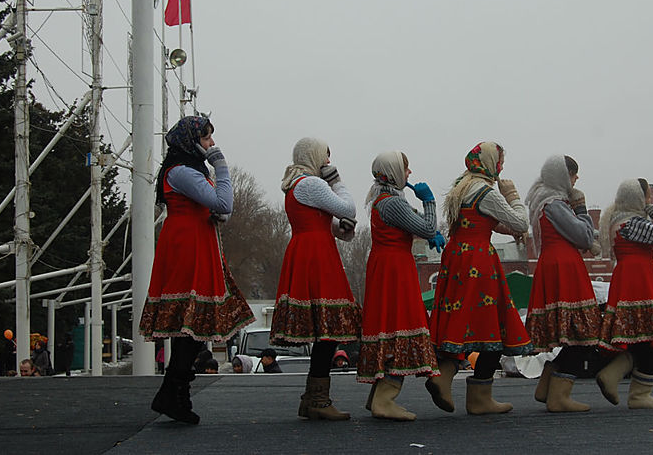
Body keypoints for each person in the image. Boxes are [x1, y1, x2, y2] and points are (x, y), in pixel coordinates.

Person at [139, 116, 256, 424]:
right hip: (188, 245)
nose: (212, 144)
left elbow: (218, 208)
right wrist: (222, 167)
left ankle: (174, 392)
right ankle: (173, 391)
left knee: (191, 325)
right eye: (206, 139)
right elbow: (224, 202)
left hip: (194, 240)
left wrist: (217, 209)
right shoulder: (181, 172)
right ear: (190, 143)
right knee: (191, 322)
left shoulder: (185, 172)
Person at [427, 142, 531, 415]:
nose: (501, 167)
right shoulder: (486, 191)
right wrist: (513, 195)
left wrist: (507, 230)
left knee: (459, 323)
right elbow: (522, 222)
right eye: (500, 162)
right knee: (492, 325)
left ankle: (442, 379)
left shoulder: (462, 186)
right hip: (479, 261)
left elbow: (483, 220)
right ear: (490, 162)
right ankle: (480, 397)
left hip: (456, 258)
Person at [271, 137, 361, 421]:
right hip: (318, 257)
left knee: (324, 329)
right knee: (328, 329)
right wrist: (337, 181)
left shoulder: (296, 185)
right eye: (325, 157)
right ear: (313, 157)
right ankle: (318, 400)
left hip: (306, 249)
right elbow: (348, 208)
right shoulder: (312, 184)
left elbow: (329, 223)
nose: (328, 163)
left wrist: (342, 230)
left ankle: (313, 397)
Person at [358, 151, 445, 421]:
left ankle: (378, 396)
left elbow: (412, 223)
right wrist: (429, 202)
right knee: (400, 325)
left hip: (386, 266)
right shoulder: (391, 203)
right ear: (394, 173)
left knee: (388, 325)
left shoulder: (384, 199)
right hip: (395, 269)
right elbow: (428, 228)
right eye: (405, 169)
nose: (409, 173)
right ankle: (385, 399)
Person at [595, 178, 653, 409]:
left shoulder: (617, 219)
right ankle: (639, 394)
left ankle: (614, 374)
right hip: (642, 280)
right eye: (646, 196)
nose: (648, 201)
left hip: (627, 279)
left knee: (640, 336)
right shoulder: (634, 223)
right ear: (638, 198)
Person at [525, 155, 600, 413]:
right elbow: (584, 237)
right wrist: (581, 209)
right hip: (565, 268)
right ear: (562, 175)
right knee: (582, 335)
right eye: (573, 174)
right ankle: (559, 396)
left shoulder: (543, 200)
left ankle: (549, 381)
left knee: (572, 334)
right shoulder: (555, 203)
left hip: (553, 264)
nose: (576, 179)